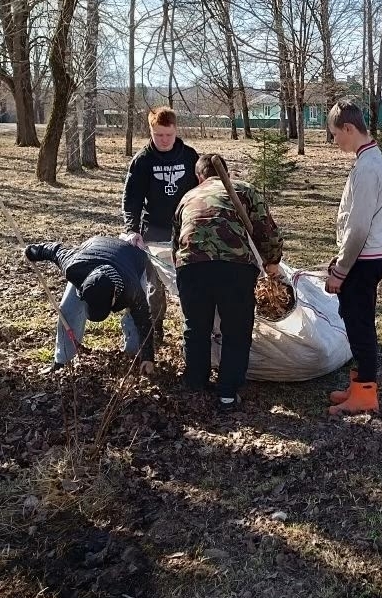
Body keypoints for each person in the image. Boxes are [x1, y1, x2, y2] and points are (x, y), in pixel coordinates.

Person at [172, 154, 283, 408]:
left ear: (199, 176)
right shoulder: (243, 190)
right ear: (228, 174)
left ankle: (195, 387)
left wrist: (182, 276)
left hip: (191, 266)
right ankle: (227, 393)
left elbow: (175, 240)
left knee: (196, 328)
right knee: (236, 330)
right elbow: (267, 229)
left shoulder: (188, 197)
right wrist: (272, 261)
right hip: (235, 268)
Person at [325, 100, 382, 415]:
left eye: (335, 134)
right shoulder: (375, 161)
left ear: (349, 129)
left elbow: (358, 226)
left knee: (360, 326)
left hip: (362, 262)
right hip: (367, 259)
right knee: (358, 323)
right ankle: (359, 386)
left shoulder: (367, 168)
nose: (334, 140)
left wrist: (340, 270)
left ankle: (365, 395)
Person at [121, 106, 198, 347]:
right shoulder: (143, 161)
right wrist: (132, 229)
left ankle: (195, 332)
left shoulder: (189, 156)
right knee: (155, 289)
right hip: (153, 232)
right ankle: (153, 333)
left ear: (176, 130)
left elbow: (201, 190)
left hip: (186, 230)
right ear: (151, 131)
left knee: (190, 284)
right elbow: (131, 199)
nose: (164, 140)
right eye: (158, 135)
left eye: (168, 135)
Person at [24, 236, 155, 374]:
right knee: (68, 310)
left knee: (134, 318)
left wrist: (148, 357)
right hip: (92, 251)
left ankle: (133, 357)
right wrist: (31, 251)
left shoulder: (132, 290)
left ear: (114, 298)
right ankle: (62, 362)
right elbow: (54, 250)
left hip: (132, 258)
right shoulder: (74, 266)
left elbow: (144, 319)